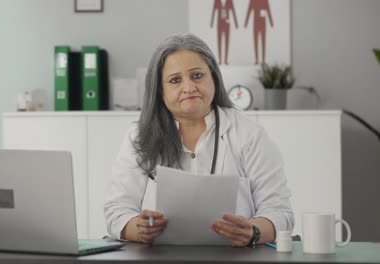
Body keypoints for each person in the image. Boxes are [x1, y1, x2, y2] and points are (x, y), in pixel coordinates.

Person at [104, 33, 294, 247]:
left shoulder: (249, 135)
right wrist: (137, 229)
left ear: (213, 77)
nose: (189, 87)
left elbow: (280, 212)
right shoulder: (138, 137)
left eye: (197, 76)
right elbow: (117, 211)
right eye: (175, 80)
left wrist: (254, 231)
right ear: (160, 90)